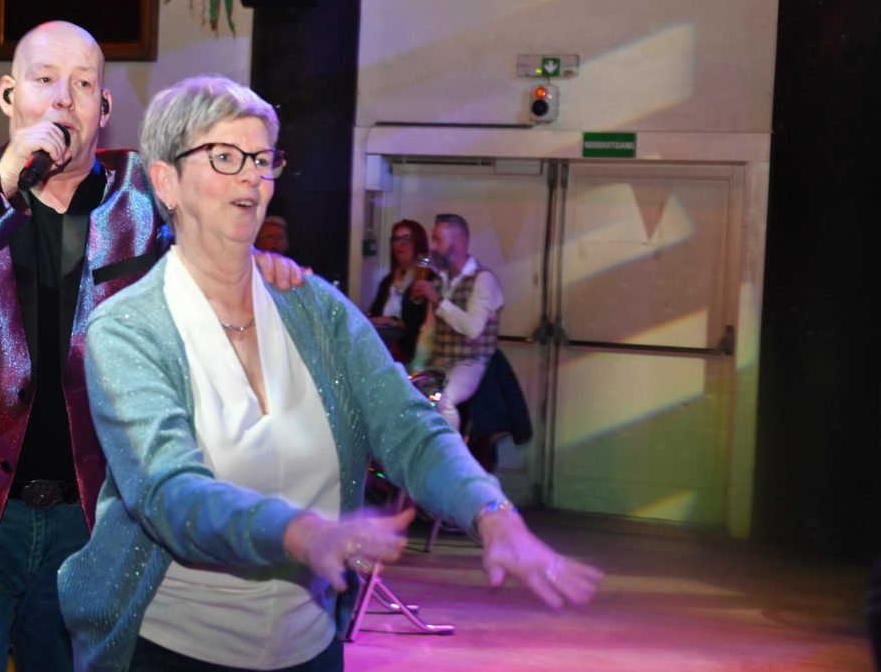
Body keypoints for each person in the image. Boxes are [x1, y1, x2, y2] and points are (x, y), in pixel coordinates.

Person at [59, 76, 601, 672]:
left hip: (310, 650)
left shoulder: (316, 310)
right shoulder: (128, 328)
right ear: (166, 181)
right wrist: (303, 534)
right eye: (225, 156)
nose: (251, 177)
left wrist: (492, 512)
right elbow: (167, 493)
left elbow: (409, 427)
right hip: (171, 653)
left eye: (262, 159)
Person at [0, 23, 302, 672]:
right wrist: (0, 185)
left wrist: (258, 268)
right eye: (44, 80)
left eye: (84, 84)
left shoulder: (145, 194)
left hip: (90, 522)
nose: (63, 98)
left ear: (105, 107)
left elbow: (217, 257)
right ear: (9, 94)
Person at [410, 213, 504, 433]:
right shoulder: (441, 279)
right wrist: (417, 367)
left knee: (442, 398)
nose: (432, 247)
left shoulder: (483, 280)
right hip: (439, 361)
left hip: (470, 362)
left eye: (438, 240)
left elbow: (473, 329)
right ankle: (417, 451)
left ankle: (450, 452)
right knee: (404, 394)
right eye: (433, 239)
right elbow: (429, 331)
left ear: (460, 242)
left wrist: (437, 300)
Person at [366, 219, 430, 365]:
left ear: (418, 242)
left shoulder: (426, 279)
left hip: (408, 349)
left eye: (406, 239)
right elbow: (375, 313)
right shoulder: (388, 281)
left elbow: (417, 323)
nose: (399, 245)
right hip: (383, 343)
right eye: (395, 239)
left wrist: (392, 321)